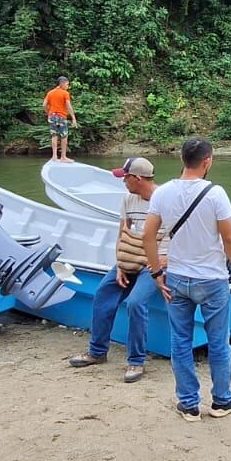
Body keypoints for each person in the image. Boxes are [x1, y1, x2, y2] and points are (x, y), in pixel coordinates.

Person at [142, 137, 231, 421]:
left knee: (180, 341)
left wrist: (155, 272)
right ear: (207, 161)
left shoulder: (162, 193)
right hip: (212, 280)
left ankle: (188, 404)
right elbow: (229, 238)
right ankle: (222, 401)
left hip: (176, 278)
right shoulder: (216, 194)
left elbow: (147, 236)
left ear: (182, 160)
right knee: (218, 343)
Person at [69, 157, 161, 384]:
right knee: (103, 293)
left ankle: (136, 360)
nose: (123, 183)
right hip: (129, 258)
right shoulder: (129, 199)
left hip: (154, 262)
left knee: (136, 303)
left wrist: (160, 265)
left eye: (125, 178)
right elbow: (123, 233)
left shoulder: (164, 200)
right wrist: (120, 264)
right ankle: (97, 351)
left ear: (137, 178)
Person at [44, 76, 77, 162]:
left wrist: (48, 113)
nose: (67, 86)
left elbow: (44, 105)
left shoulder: (50, 93)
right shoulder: (65, 93)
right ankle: (63, 157)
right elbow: (68, 105)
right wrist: (73, 117)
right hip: (61, 117)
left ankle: (54, 156)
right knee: (64, 136)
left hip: (52, 116)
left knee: (54, 136)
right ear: (61, 84)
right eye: (67, 84)